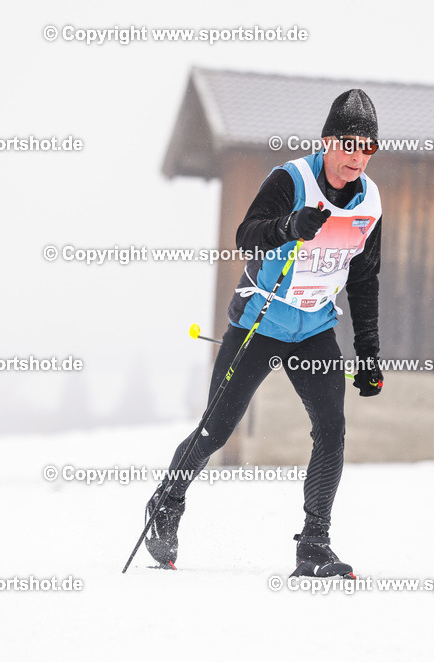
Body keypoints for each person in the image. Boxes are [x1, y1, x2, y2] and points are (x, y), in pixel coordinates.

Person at [145, 89, 385, 577]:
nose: (356, 157)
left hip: (315, 327)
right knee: (216, 430)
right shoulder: (290, 179)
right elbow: (246, 234)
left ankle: (314, 544)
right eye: (348, 144)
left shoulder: (371, 202)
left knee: (332, 431)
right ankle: (166, 505)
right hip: (261, 322)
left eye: (367, 147)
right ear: (326, 142)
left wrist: (369, 354)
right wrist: (289, 225)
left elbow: (363, 281)